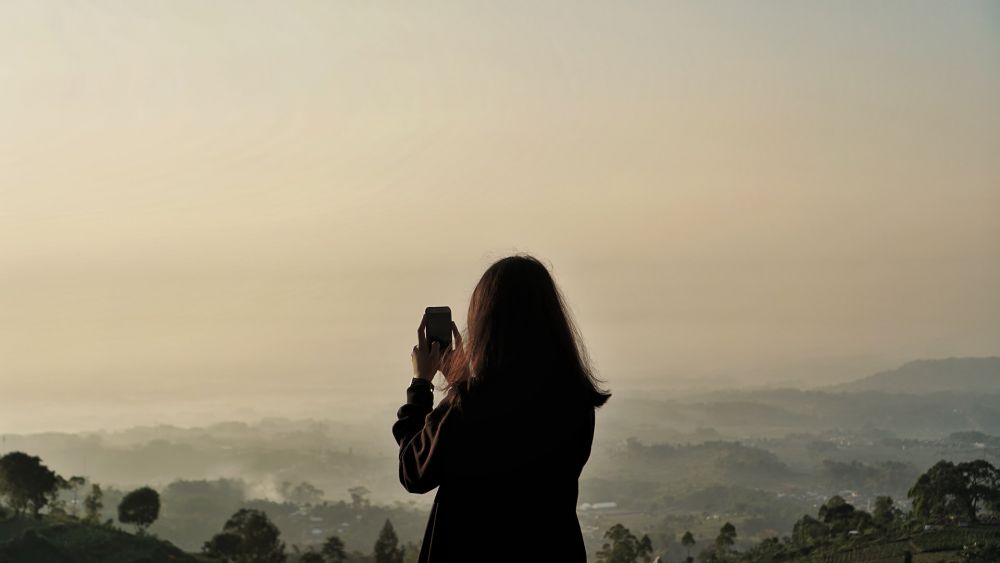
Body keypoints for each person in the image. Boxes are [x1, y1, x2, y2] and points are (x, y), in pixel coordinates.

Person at [392, 254, 611, 563]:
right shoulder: (574, 401)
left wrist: (421, 386)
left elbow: (414, 471)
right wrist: (463, 383)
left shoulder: (471, 405)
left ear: (485, 322)